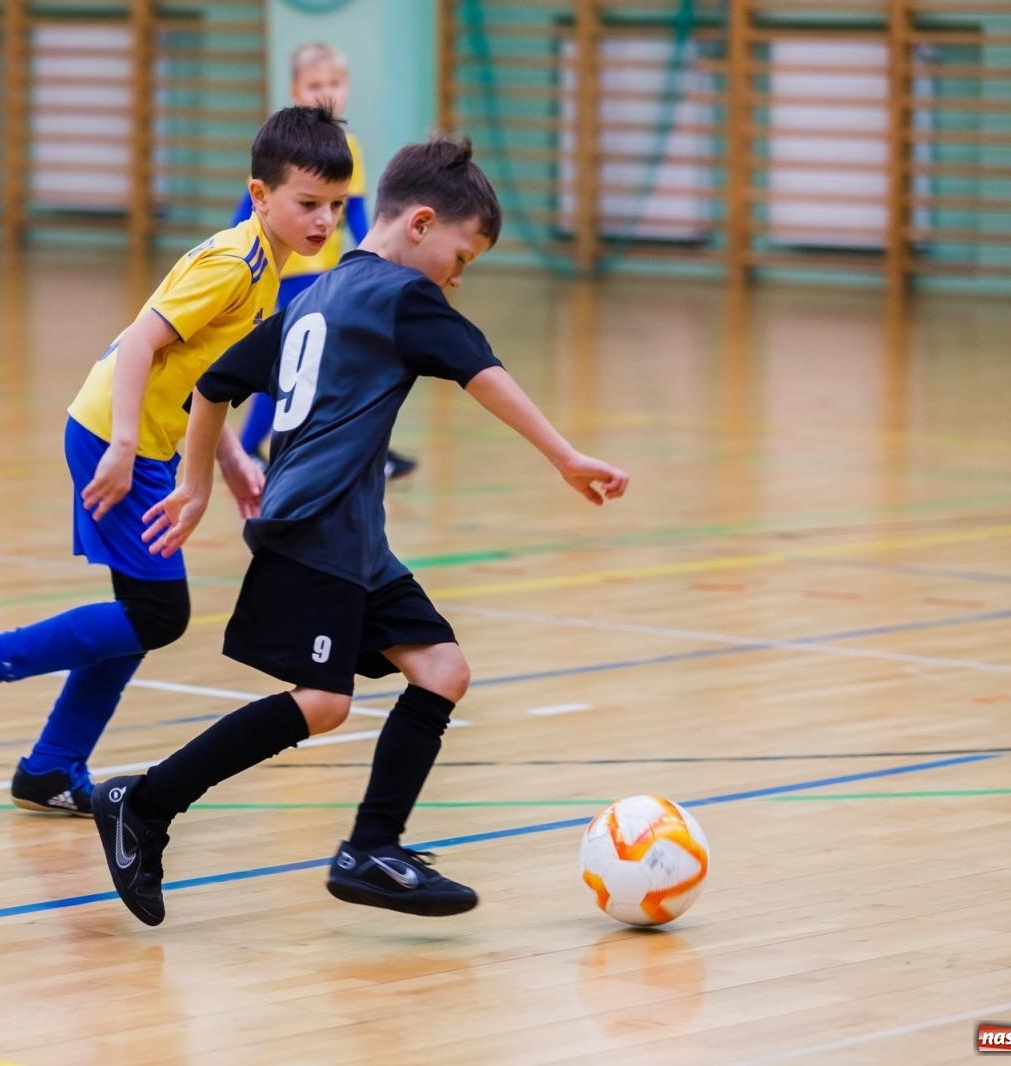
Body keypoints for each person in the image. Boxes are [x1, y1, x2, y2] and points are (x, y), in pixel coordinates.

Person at [89, 137, 630, 926]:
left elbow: (214, 383)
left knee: (442, 669)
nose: (457, 274)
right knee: (323, 701)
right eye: (462, 255)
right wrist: (564, 454)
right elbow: (484, 372)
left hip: (351, 540)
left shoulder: (319, 293)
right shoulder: (405, 300)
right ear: (419, 223)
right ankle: (147, 801)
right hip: (313, 530)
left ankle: (370, 848)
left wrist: (201, 481)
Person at [0, 106, 355, 816]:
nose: (324, 221)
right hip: (112, 436)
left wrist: (224, 456)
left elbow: (197, 374)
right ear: (260, 196)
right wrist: (126, 446)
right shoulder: (233, 263)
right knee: (161, 614)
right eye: (308, 204)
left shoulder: (268, 273)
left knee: (140, 613)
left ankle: (51, 765)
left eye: (336, 206)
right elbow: (138, 345)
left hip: (145, 441)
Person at [230, 41, 418, 481]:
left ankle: (365, 451)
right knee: (297, 365)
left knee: (337, 362)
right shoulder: (283, 150)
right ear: (296, 89)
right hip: (286, 276)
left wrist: (378, 260)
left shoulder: (349, 148)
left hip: (324, 275)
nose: (326, 92)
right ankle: (249, 446)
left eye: (334, 83)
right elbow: (246, 211)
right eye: (315, 84)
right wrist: (237, 262)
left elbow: (355, 214)